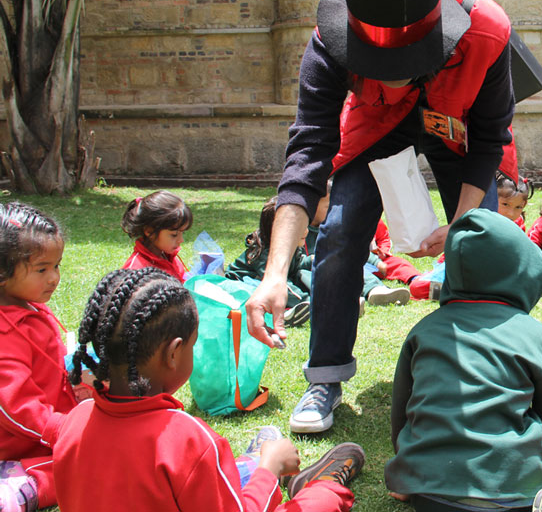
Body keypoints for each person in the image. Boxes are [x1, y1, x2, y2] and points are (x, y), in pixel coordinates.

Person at [245, 0, 520, 433]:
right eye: (377, 66)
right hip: (373, 127)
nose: (393, 77)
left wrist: (461, 222)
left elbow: (488, 141)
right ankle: (325, 375)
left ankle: (483, 372)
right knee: (343, 229)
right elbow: (306, 159)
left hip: (456, 127)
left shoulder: (487, 33)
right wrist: (275, 273)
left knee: (479, 239)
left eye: (406, 65)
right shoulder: (328, 44)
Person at [54, 267, 365, 512]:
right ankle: (312, 480)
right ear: (174, 353)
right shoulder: (187, 438)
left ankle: (253, 462)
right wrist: (270, 469)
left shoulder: (76, 420)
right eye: (194, 344)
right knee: (321, 500)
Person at [385, 209, 542, 512]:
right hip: (516, 496)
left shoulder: (424, 330)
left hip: (431, 497)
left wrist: (408, 472)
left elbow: (402, 414)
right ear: (521, 269)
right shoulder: (534, 335)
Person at [0, 203, 74, 512]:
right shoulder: (5, 332)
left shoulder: (28, 305)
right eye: (42, 269)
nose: (53, 277)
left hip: (49, 432)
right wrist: (62, 430)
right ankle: (21, 485)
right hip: (23, 445)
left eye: (56, 266)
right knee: (89, 462)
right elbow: (15, 405)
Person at [227, 196, 313, 327]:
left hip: (275, 280)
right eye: (297, 228)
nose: (305, 231)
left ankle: (323, 298)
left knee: (303, 274)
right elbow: (277, 281)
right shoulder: (264, 253)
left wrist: (312, 261)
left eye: (305, 225)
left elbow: (297, 265)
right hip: (244, 284)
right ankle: (294, 311)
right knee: (279, 286)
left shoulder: (293, 245)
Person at [121, 190, 192, 281]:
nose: (181, 240)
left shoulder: (169, 257)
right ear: (149, 231)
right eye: (174, 235)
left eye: (183, 233)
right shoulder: (135, 272)